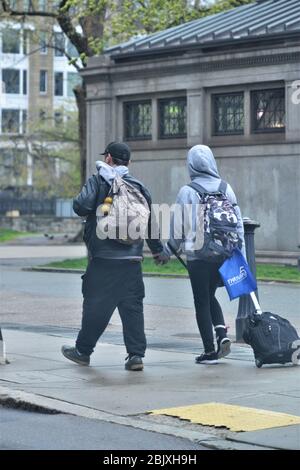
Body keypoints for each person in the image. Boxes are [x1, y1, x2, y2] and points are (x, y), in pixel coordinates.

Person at [61, 142, 167, 371]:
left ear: (108, 158)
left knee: (95, 306)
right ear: (128, 162)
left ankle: (83, 351)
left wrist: (99, 185)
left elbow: (80, 206)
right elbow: (149, 223)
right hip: (132, 260)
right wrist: (157, 250)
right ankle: (136, 355)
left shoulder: (98, 180)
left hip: (103, 258)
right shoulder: (138, 186)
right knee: (132, 307)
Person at [164, 145, 245, 365]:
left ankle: (210, 351)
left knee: (201, 300)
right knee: (210, 296)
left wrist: (168, 250)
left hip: (198, 257)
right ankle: (222, 335)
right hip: (224, 254)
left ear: (191, 164)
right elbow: (238, 225)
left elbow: (178, 228)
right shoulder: (226, 189)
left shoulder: (187, 191)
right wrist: (241, 255)